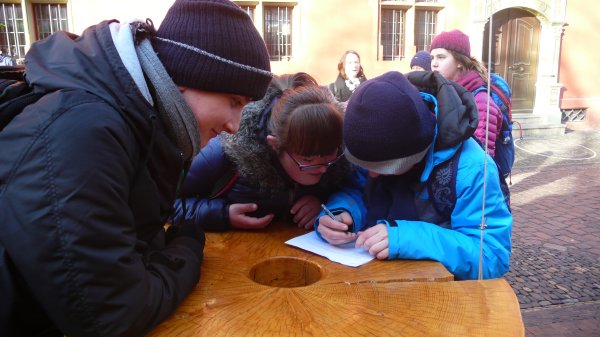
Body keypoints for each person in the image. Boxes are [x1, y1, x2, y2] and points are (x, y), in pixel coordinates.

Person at [0, 0, 272, 336]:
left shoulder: (139, 122)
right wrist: (187, 246)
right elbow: (113, 314)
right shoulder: (86, 131)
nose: (234, 125)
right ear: (186, 77)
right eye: (234, 102)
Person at [316, 71, 512, 280]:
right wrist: (345, 212)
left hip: (446, 298)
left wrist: (405, 238)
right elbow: (357, 188)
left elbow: (491, 256)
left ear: (414, 155)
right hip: (375, 283)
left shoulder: (472, 169)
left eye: (384, 168)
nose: (371, 174)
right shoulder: (371, 141)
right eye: (363, 165)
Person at [172, 72, 365, 231]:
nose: (323, 169)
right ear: (275, 144)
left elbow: (354, 191)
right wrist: (222, 215)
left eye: (329, 156)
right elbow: (161, 206)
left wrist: (324, 204)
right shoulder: (225, 153)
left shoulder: (339, 156)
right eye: (307, 158)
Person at [430, 29, 503, 157]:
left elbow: (482, 156)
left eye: (441, 57)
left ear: (459, 61)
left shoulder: (480, 100)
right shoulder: (444, 91)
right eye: (432, 57)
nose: (434, 64)